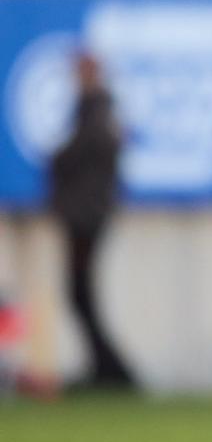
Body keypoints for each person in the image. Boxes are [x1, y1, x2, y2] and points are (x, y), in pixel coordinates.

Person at [47, 52, 134, 389]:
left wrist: (59, 160)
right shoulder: (93, 112)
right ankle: (106, 369)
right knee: (80, 296)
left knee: (80, 295)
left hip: (86, 217)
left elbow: (82, 157)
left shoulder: (97, 113)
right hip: (85, 214)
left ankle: (113, 371)